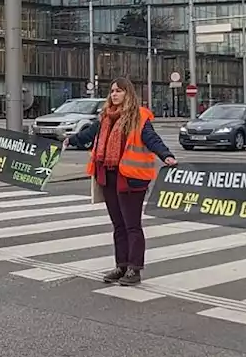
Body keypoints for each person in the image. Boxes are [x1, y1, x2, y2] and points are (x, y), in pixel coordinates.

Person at [65, 77, 176, 286]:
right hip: (108, 176)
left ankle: (134, 269)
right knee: (118, 225)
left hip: (131, 178)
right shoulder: (106, 117)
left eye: (119, 91)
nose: (114, 94)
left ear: (128, 94)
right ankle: (121, 265)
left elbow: (152, 138)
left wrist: (166, 155)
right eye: (112, 91)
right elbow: (89, 134)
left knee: (132, 225)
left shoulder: (138, 117)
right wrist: (70, 139)